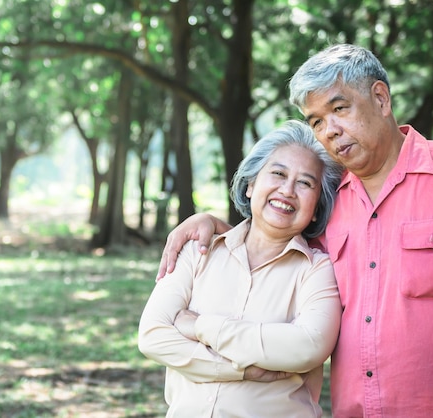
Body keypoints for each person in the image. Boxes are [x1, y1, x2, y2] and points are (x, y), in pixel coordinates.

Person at [156, 44, 433, 417]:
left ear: (381, 98)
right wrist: (213, 223)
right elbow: (276, 234)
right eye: (317, 121)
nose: (330, 131)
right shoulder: (328, 198)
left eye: (339, 109)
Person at [138, 120, 344, 417]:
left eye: (305, 183)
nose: (287, 190)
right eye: (278, 173)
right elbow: (153, 336)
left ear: (316, 210)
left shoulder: (316, 269)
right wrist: (243, 371)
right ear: (250, 185)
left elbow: (308, 346)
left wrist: (199, 326)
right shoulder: (198, 250)